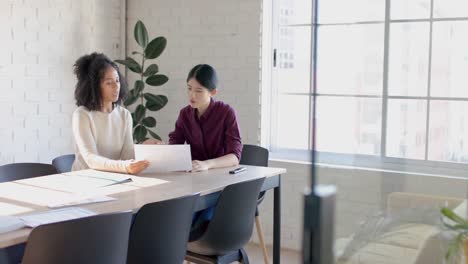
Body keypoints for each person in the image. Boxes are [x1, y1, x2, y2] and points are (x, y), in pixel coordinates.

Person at [71, 52, 149, 174]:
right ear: (95, 87)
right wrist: (124, 167)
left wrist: (145, 148)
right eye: (109, 83)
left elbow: (127, 155)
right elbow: (91, 159)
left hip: (115, 179)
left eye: (117, 81)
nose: (116, 86)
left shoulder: (125, 115)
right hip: (85, 181)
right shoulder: (82, 115)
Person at [167, 64, 242, 172]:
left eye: (198, 91)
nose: (192, 95)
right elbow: (175, 145)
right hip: (194, 175)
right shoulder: (184, 114)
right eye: (189, 88)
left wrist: (207, 164)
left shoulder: (226, 112)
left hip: (221, 176)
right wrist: (161, 148)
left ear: (213, 92)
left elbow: (234, 157)